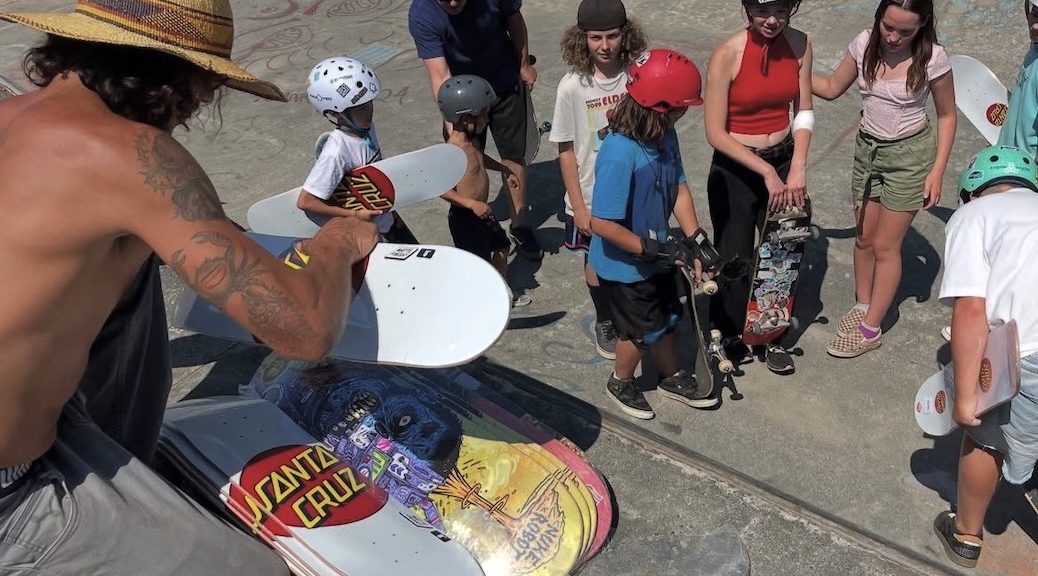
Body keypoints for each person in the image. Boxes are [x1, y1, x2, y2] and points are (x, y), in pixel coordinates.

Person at [0, 1, 381, 573]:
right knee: (260, 571)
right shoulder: (131, 153)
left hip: (39, 425)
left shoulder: (11, 116)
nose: (197, 108)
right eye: (206, 91)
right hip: (13, 493)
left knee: (132, 269)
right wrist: (338, 242)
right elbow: (302, 332)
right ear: (182, 81)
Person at [813, 0, 955, 358]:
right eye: (887, 26)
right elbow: (830, 87)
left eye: (904, 31)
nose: (892, 37)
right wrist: (789, 71)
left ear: (922, 25)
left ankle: (870, 329)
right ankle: (863, 304)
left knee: (885, 246)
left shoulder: (933, 58)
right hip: (868, 151)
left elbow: (947, 115)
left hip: (909, 158)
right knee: (863, 238)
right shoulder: (864, 44)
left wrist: (937, 171)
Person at [589, 48, 719, 420]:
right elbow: (602, 224)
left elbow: (678, 187)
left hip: (656, 251)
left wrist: (695, 239)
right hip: (624, 264)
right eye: (680, 109)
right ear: (660, 108)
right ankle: (621, 380)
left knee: (668, 314)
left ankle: (669, 375)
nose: (683, 115)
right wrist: (653, 250)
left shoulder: (664, 134)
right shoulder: (619, 152)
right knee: (639, 331)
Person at [931, 145, 1038, 569]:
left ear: (971, 192)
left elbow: (971, 311)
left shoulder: (973, 216)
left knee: (985, 437)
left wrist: (964, 399)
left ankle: (965, 534)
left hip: (1028, 353)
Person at [703, 0, 814, 375]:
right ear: (748, 8)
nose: (772, 20)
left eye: (781, 11)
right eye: (763, 11)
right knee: (734, 257)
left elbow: (803, 110)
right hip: (736, 166)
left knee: (781, 255)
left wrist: (797, 165)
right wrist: (766, 172)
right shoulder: (727, 53)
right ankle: (728, 333)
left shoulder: (800, 44)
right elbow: (714, 132)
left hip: (784, 159)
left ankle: (770, 334)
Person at [549, 0, 647, 360]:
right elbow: (566, 150)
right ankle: (606, 318)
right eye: (595, 38)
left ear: (626, 35)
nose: (604, 46)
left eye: (612, 36)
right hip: (591, 194)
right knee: (595, 260)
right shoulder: (572, 87)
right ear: (582, 39)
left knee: (635, 253)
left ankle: (633, 310)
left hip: (634, 188)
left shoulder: (638, 74)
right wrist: (578, 206)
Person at [408, 0, 544, 260]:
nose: (452, 3)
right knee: (465, 162)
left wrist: (523, 64)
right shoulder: (422, 13)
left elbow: (514, 19)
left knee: (513, 154)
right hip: (462, 98)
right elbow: (439, 75)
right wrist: (455, 127)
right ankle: (471, 220)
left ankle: (519, 226)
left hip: (503, 81)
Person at [299, 56, 417, 244]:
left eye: (369, 103)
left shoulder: (366, 129)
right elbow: (306, 201)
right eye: (359, 108)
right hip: (369, 235)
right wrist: (355, 215)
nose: (369, 112)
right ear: (335, 113)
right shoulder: (336, 152)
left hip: (388, 221)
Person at [437, 74, 531, 307]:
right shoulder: (451, 151)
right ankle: (483, 306)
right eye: (483, 114)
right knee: (478, 265)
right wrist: (471, 204)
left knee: (502, 246)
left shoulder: (473, 141)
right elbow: (442, 190)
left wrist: (503, 168)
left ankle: (500, 291)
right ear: (464, 117)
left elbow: (479, 160)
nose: (487, 118)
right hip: (465, 218)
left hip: (482, 213)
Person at [997, 0, 1038, 156]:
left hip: (1026, 165)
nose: (1035, 26)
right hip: (1010, 157)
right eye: (1035, 14)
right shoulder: (1035, 46)